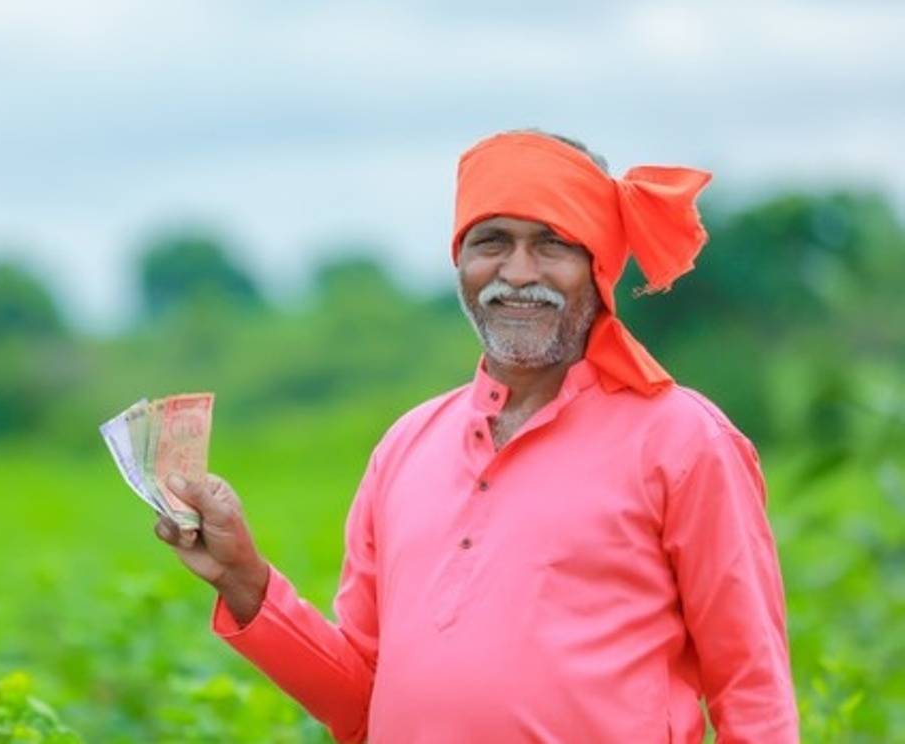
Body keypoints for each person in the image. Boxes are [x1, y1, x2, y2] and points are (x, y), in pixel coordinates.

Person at [154, 129, 800, 743]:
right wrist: (243, 578)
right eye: (491, 241)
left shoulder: (684, 440)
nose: (518, 272)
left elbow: (754, 693)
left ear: (599, 264)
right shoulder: (406, 447)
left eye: (552, 243)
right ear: (459, 260)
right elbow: (359, 705)